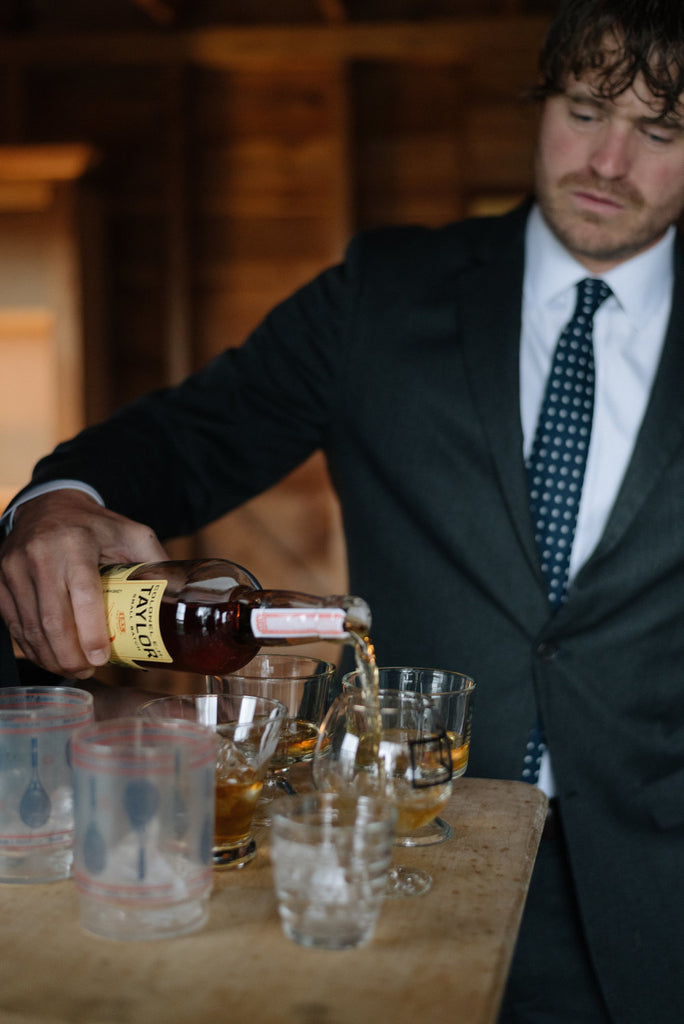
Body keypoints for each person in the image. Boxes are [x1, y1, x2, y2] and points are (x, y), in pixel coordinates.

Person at [1, 0, 684, 1018]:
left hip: (661, 913)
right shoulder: (383, 292)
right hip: (390, 876)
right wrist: (56, 504)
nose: (610, 160)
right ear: (539, 99)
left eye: (662, 132)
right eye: (585, 108)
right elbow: (189, 435)